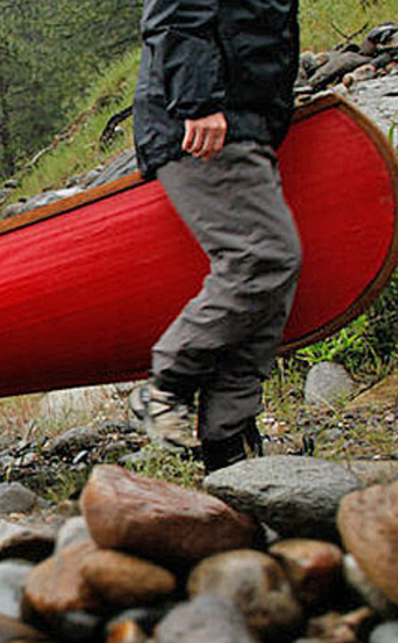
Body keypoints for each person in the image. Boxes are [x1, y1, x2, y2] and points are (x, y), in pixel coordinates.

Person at [129, 0, 301, 472]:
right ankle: (167, 386)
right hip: (203, 125)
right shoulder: (199, 109)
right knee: (263, 260)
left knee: (270, 286)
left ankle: (229, 446)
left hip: (245, 123)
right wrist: (198, 103)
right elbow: (178, 14)